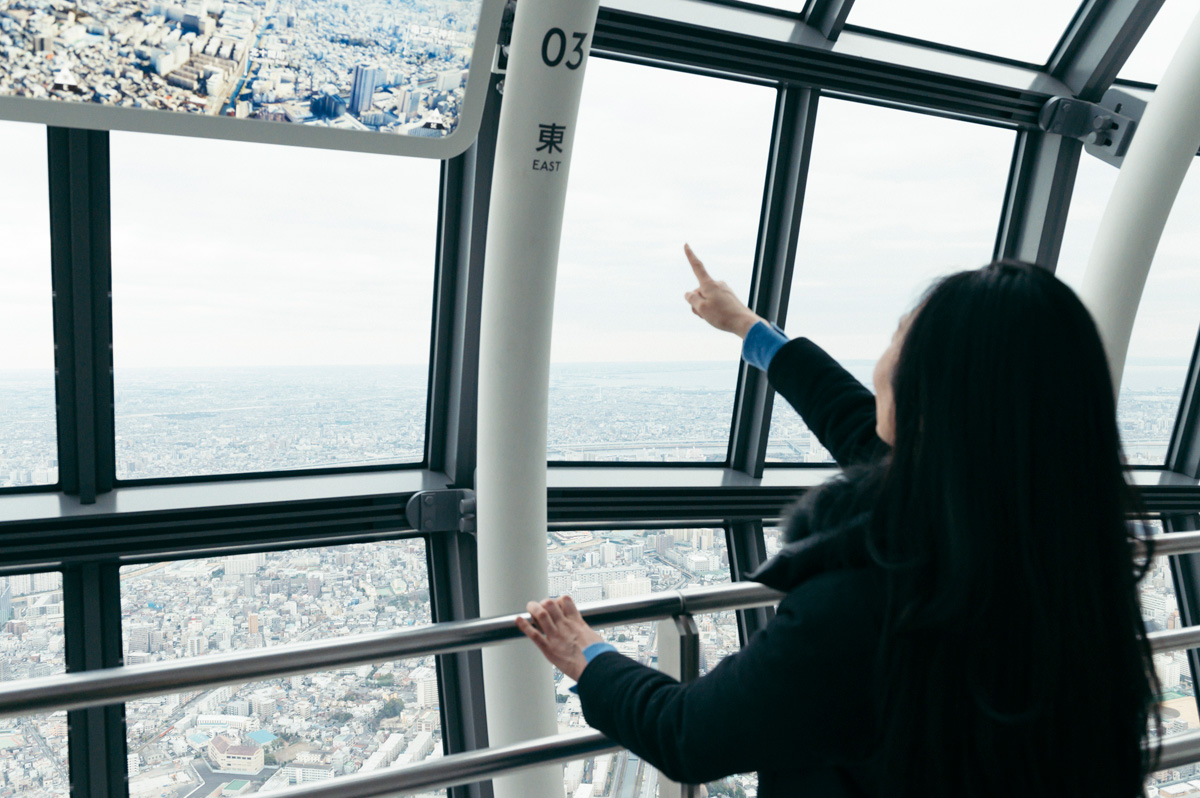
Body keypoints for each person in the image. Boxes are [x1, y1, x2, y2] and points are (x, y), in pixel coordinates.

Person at [517, 246, 1159, 798]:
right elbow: (861, 428)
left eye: (896, 339)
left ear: (931, 392)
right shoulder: (1072, 556)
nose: (881, 364)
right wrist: (748, 328)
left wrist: (587, 655)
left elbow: (690, 734)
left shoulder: (866, 605)